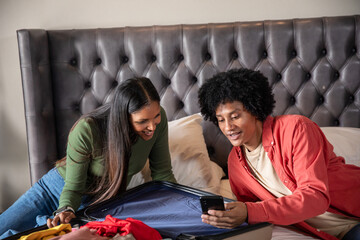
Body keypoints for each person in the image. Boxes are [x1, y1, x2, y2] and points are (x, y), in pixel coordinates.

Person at [0, 77, 176, 238]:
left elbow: (162, 173)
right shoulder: (88, 129)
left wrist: (180, 203)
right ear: (124, 117)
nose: (152, 127)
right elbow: (73, 188)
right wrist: (66, 209)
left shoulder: (157, 124)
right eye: (142, 121)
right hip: (54, 190)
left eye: (156, 117)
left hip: (95, 206)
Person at [198, 68, 360, 240]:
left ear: (254, 109)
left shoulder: (296, 129)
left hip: (353, 219)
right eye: (221, 120)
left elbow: (315, 197)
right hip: (322, 234)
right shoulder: (235, 163)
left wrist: (250, 211)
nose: (228, 128)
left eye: (235, 116)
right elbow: (253, 212)